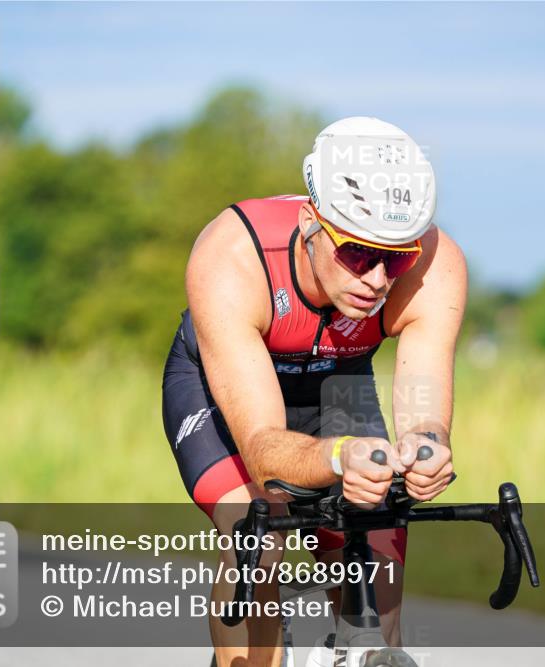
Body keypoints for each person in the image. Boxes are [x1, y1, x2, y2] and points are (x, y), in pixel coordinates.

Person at [162, 116, 467, 667]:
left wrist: (427, 448)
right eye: (358, 254)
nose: (378, 279)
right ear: (311, 222)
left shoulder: (436, 264)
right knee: (259, 541)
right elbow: (263, 448)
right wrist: (340, 457)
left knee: (374, 568)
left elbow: (423, 409)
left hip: (337, 386)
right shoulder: (233, 258)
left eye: (396, 257)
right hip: (226, 394)